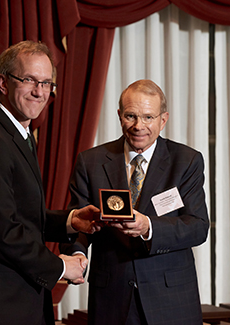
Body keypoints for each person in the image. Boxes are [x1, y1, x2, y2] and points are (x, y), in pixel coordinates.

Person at [0, 40, 101, 325]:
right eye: (29, 80)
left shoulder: (17, 134)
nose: (39, 92)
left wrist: (71, 222)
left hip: (21, 299)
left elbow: (21, 215)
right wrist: (61, 266)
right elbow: (3, 233)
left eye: (47, 83)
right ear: (3, 82)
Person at [61, 80, 209, 325]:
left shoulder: (186, 161)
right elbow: (78, 220)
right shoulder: (90, 162)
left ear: (163, 119)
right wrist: (76, 253)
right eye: (131, 116)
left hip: (171, 300)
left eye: (148, 117)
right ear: (120, 116)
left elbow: (197, 226)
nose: (139, 126)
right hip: (111, 298)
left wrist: (148, 227)